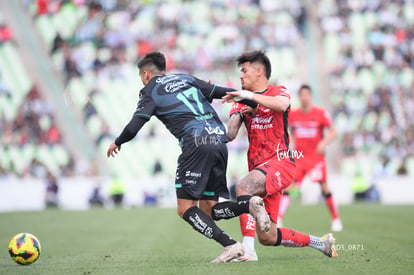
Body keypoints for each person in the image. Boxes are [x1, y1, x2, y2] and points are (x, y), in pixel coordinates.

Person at [107, 51, 257, 263]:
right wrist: (253, 101)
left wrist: (118, 141)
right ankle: (249, 205)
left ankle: (231, 245)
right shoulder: (185, 78)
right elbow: (222, 92)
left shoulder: (150, 91)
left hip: (196, 143)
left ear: (146, 75)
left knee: (185, 208)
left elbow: (135, 125)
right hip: (218, 140)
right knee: (210, 209)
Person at [211, 51, 338, 261]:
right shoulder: (241, 100)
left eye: (244, 70)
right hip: (259, 171)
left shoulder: (278, 91)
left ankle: (248, 251)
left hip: (281, 164)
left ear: (259, 71)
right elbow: (231, 134)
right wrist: (236, 110)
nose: (240, 76)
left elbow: (281, 105)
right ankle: (322, 243)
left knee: (243, 187)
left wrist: (248, 97)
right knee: (268, 237)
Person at [277, 84, 343, 232]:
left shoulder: (320, 113)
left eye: (307, 95)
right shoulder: (293, 114)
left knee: (324, 187)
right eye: (302, 95)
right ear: (299, 97)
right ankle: (279, 217)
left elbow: (334, 132)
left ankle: (335, 219)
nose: (305, 97)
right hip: (299, 158)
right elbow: (287, 131)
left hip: (315, 158)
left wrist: (324, 142)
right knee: (291, 188)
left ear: (310, 96)